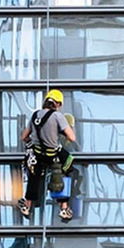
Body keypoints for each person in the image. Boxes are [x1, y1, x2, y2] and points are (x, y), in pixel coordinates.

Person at [17, 89, 78, 222]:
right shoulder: (58, 116)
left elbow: (24, 137)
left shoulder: (35, 115)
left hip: (37, 154)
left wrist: (33, 142)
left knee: (33, 177)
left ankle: (27, 206)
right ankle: (64, 207)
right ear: (58, 104)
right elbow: (72, 138)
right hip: (53, 153)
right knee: (68, 167)